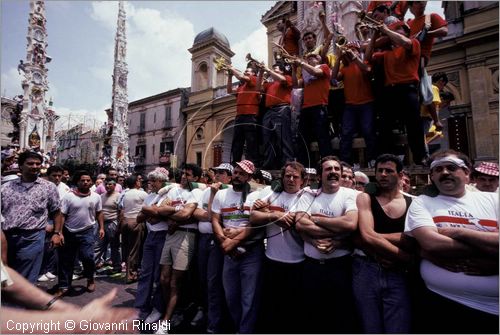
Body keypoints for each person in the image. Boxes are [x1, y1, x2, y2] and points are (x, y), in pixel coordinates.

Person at [404, 149, 499, 333]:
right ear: (432, 176)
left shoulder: (495, 200)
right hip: (441, 302)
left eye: (451, 167)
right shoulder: (422, 202)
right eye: (438, 169)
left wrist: (458, 233)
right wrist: (491, 246)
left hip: (493, 309)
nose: (445, 172)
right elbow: (431, 243)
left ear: (466, 173)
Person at [353, 154, 416, 333]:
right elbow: (366, 236)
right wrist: (404, 256)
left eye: (388, 171)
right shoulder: (365, 199)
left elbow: (415, 239)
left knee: (399, 327)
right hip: (366, 268)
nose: (383, 174)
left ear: (400, 174)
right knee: (370, 326)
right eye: (379, 171)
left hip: (398, 273)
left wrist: (376, 240)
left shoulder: (414, 202)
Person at [295, 156, 359, 333]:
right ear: (319, 175)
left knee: (341, 316)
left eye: (336, 169)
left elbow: (351, 224)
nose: (333, 172)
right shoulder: (309, 194)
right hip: (311, 267)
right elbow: (300, 223)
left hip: (340, 267)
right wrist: (337, 228)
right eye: (328, 169)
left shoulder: (350, 195)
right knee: (313, 315)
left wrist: (314, 219)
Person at [141, 164, 200, 334]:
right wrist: (175, 211)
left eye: (188, 175)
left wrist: (172, 214)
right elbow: (158, 210)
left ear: (195, 178)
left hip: (186, 235)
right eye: (182, 174)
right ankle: (172, 310)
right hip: (170, 235)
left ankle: (166, 321)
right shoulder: (173, 191)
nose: (183, 177)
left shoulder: (195, 192)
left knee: (175, 281)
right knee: (164, 279)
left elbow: (184, 215)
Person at [249, 161, 307, 333]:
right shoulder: (272, 194)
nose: (290, 179)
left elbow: (295, 222)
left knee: (293, 310)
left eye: (295, 177)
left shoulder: (306, 197)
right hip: (272, 260)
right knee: (272, 308)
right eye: (287, 176)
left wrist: (271, 214)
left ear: (302, 181)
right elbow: (253, 216)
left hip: (297, 262)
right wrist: (274, 215)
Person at [211, 160, 264, 333]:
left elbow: (256, 225)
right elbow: (215, 220)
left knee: (249, 298)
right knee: (231, 296)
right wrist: (224, 242)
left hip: (251, 252)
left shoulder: (257, 196)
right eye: (235, 172)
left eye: (242, 174)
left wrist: (235, 240)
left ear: (249, 177)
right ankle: (238, 328)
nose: (237, 176)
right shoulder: (222, 195)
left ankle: (245, 331)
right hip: (229, 253)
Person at [367, 21, 426, 165]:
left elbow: (405, 43)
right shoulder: (386, 53)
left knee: (414, 125)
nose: (398, 31)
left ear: (406, 32)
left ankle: (420, 158)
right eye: (396, 29)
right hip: (390, 91)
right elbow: (368, 56)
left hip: (408, 89)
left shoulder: (413, 43)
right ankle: (386, 159)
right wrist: (375, 34)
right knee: (385, 127)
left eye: (400, 29)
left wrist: (386, 30)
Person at [1, 151, 62, 283]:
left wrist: (57, 233)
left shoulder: (49, 188)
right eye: (30, 163)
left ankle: (24, 302)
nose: (35, 166)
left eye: (38, 164)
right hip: (6, 237)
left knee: (26, 277)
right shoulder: (5, 188)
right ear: (21, 166)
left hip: (33, 237)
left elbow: (56, 211)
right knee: (6, 274)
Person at [192, 163, 233, 333]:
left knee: (213, 281)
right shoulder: (205, 191)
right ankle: (205, 310)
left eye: (222, 173)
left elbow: (209, 216)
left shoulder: (228, 192)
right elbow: (198, 213)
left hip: (217, 239)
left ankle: (213, 323)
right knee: (202, 277)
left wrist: (214, 196)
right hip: (203, 239)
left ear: (229, 177)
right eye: (216, 172)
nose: (217, 175)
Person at [51, 170, 104, 297]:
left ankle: (90, 279)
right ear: (77, 182)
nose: (85, 182)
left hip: (88, 231)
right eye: (82, 180)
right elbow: (62, 215)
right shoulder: (69, 196)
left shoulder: (96, 197)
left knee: (87, 257)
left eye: (88, 180)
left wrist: (102, 228)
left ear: (91, 182)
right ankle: (64, 286)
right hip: (69, 232)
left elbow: (99, 212)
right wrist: (60, 232)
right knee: (66, 260)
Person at [134, 168, 170, 322]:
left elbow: (158, 217)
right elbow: (140, 217)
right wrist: (152, 211)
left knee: (159, 275)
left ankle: (158, 307)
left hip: (163, 236)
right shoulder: (149, 197)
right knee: (145, 272)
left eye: (154, 180)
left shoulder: (169, 195)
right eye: (150, 180)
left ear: (162, 181)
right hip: (150, 236)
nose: (151, 183)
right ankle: (141, 306)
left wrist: (152, 212)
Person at [332, 43, 376, 166]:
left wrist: (354, 57)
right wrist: (339, 58)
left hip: (366, 103)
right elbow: (333, 79)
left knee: (368, 132)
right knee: (346, 134)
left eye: (353, 50)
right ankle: (345, 162)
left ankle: (372, 159)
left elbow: (367, 70)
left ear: (358, 52)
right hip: (350, 106)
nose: (350, 52)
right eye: (349, 50)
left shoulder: (364, 62)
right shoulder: (345, 68)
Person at [292, 53, 332, 166]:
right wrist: (294, 69)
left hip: (320, 105)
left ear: (319, 59)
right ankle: (305, 166)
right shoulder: (305, 73)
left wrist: (302, 63)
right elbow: (295, 85)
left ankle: (327, 165)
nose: (309, 59)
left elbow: (315, 72)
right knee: (302, 139)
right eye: (308, 58)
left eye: (313, 57)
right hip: (306, 108)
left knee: (322, 137)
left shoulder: (324, 67)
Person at [257, 62, 295, 169]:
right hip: (269, 111)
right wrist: (260, 72)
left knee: (283, 137)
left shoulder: (286, 77)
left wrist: (268, 70)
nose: (273, 70)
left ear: (282, 71)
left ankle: (288, 163)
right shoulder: (270, 84)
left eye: (276, 69)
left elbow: (283, 80)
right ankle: (268, 165)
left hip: (282, 108)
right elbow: (258, 89)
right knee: (267, 138)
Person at [38, 165, 70, 282]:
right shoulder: (42, 186)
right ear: (48, 175)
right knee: (43, 247)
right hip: (45, 220)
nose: (57, 178)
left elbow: (62, 209)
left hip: (58, 219)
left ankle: (49, 269)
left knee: (54, 247)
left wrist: (59, 227)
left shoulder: (65, 188)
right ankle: (41, 270)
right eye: (54, 176)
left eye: (59, 176)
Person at [227, 64, 260, 165]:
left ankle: (251, 163)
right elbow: (229, 91)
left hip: (250, 115)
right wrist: (229, 76)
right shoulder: (242, 86)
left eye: (247, 71)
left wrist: (232, 69)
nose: (245, 72)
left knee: (251, 142)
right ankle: (235, 163)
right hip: (239, 116)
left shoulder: (255, 79)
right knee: (237, 142)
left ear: (253, 73)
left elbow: (241, 76)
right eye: (245, 71)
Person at [120, 174, 147, 283]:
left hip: (125, 221)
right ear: (136, 182)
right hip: (136, 221)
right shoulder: (142, 193)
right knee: (134, 250)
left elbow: (121, 208)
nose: (140, 182)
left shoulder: (124, 194)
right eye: (139, 180)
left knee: (127, 248)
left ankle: (128, 271)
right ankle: (131, 274)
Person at [407, 0, 448, 65]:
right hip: (408, 60)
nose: (421, 3)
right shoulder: (408, 23)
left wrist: (427, 33)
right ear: (410, 7)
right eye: (417, 2)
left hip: (420, 60)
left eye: (422, 1)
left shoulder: (431, 17)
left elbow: (444, 31)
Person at [94, 178, 121, 273]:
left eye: (110, 184)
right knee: (98, 245)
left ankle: (117, 266)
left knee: (114, 246)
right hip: (101, 224)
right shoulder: (101, 196)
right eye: (107, 184)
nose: (108, 186)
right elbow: (98, 210)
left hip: (112, 223)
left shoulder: (119, 196)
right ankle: (92, 266)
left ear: (115, 186)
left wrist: (118, 225)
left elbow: (120, 211)